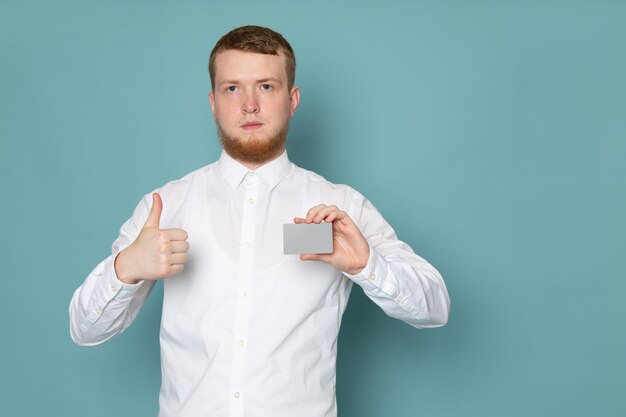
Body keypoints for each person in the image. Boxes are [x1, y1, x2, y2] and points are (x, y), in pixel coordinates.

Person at [69, 25, 450, 417]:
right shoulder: (166, 205)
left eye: (266, 86)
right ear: (213, 102)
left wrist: (368, 265)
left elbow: (435, 308)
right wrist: (125, 267)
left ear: (292, 99)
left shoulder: (340, 206)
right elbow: (85, 329)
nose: (249, 105)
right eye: (232, 88)